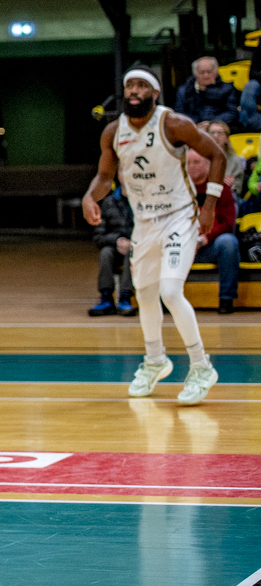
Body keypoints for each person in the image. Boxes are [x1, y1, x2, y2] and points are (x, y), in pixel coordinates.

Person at [81, 66, 223, 405]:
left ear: (155, 93)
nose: (134, 90)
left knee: (170, 291)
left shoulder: (173, 123)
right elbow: (105, 176)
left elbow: (217, 155)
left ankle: (201, 366)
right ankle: (155, 360)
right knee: (144, 295)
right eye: (129, 85)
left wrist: (209, 205)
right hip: (144, 221)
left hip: (179, 216)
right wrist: (89, 196)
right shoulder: (113, 131)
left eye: (142, 85)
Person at [187, 144, 241, 315]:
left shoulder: (220, 189)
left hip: (209, 245)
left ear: (207, 165)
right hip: (182, 244)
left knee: (228, 242)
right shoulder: (177, 189)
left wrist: (205, 238)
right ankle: (162, 300)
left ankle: (226, 299)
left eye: (196, 162)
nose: (191, 166)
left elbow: (227, 223)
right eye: (188, 163)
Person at [89, 182, 135, 317]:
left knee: (131, 253)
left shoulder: (144, 200)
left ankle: (125, 297)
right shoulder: (108, 202)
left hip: (137, 247)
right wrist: (117, 240)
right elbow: (98, 236)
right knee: (106, 252)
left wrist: (132, 243)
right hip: (115, 246)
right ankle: (106, 297)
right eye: (121, 171)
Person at [175, 56, 239, 128]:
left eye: (209, 72)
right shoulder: (183, 91)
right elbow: (179, 113)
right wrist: (197, 124)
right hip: (193, 127)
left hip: (219, 127)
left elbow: (232, 112)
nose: (206, 75)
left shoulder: (228, 89)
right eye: (202, 72)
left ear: (216, 73)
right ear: (195, 73)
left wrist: (212, 123)